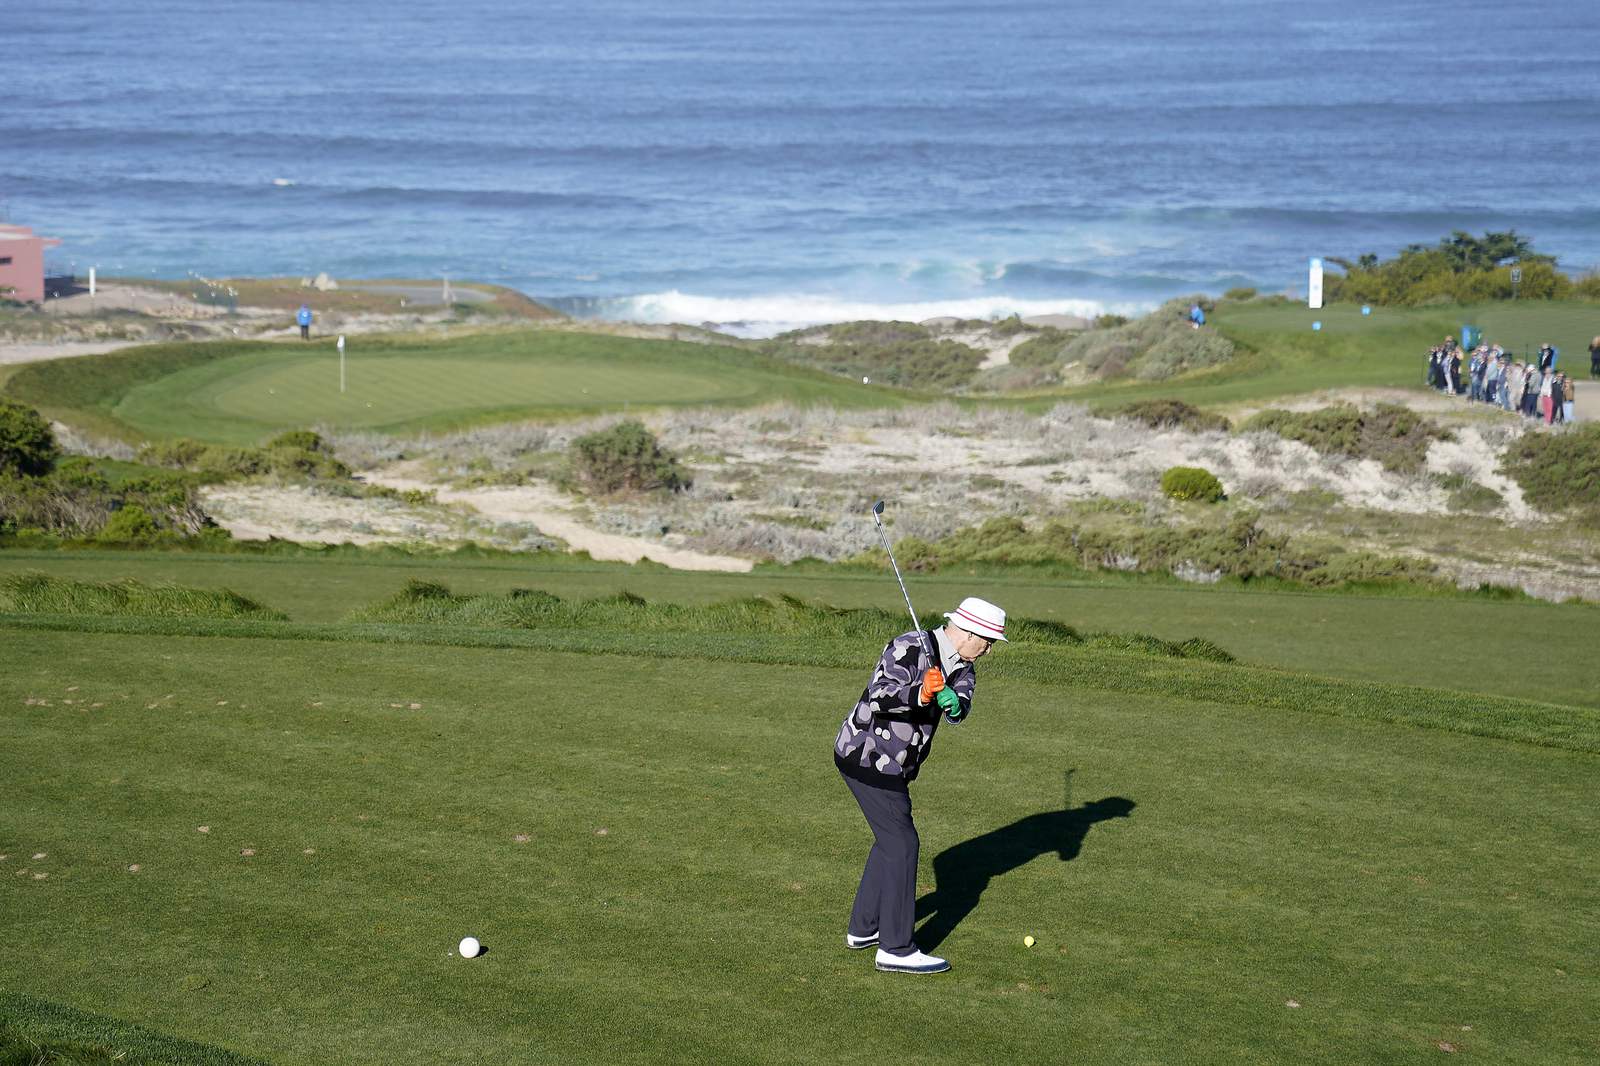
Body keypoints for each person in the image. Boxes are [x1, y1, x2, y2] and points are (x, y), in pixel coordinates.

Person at [834, 596, 1007, 975]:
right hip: (866, 755)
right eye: (988, 640)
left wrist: (951, 702)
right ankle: (895, 947)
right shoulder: (908, 647)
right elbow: (880, 696)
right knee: (903, 843)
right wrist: (921, 693)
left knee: (891, 840)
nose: (989, 649)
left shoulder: (964, 667)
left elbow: (960, 709)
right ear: (967, 632)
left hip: (897, 766)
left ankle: (864, 929)